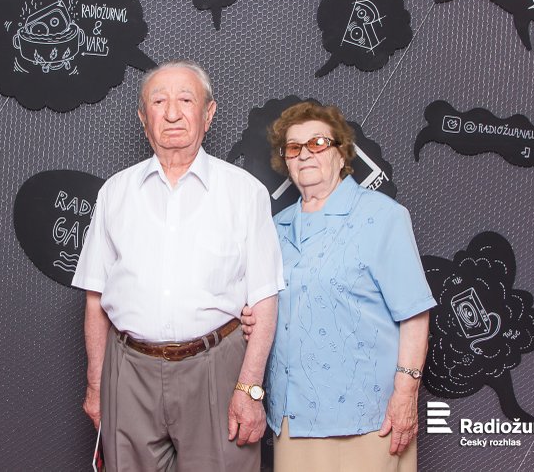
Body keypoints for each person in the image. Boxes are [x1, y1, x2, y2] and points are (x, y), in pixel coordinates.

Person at [72, 60, 284, 471]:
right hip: (128, 371)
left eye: (186, 100)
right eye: (158, 102)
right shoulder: (115, 192)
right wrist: (96, 385)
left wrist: (250, 388)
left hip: (217, 368)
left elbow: (265, 299)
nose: (172, 113)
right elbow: (95, 298)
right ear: (143, 118)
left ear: (208, 114)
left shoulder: (245, 193)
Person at [241, 101, 435, 471]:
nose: (305, 154)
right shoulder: (276, 228)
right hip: (293, 416)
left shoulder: (381, 216)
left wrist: (407, 392)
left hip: (368, 418)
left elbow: (414, 313)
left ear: (341, 152)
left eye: (317, 143)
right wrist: (255, 319)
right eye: (294, 147)